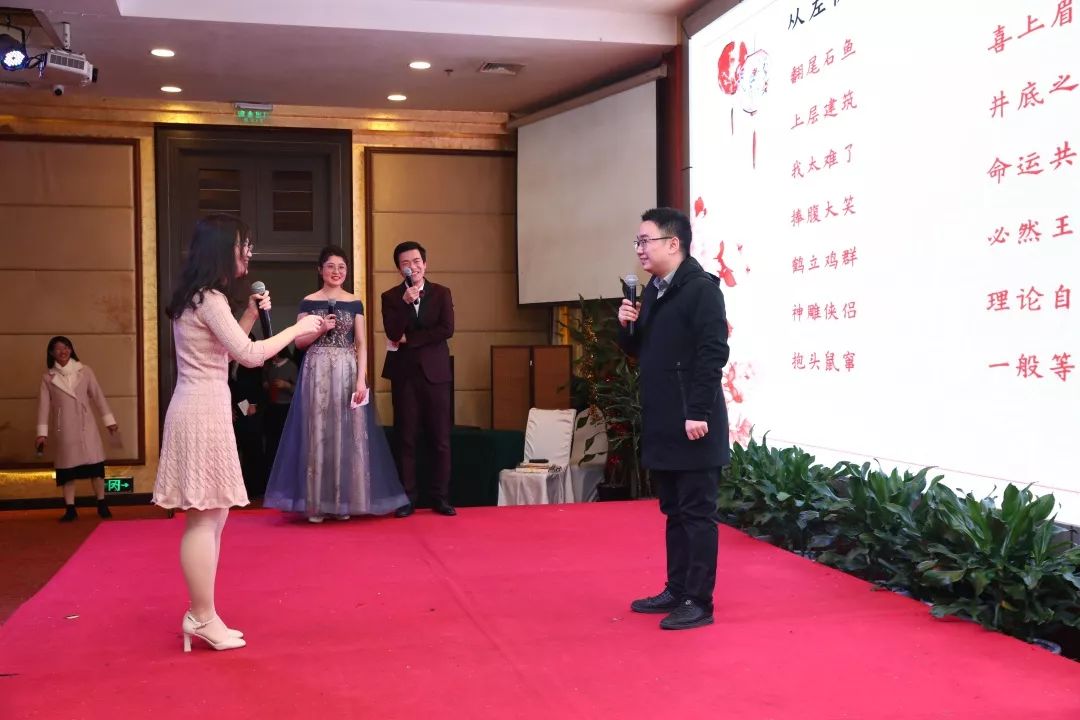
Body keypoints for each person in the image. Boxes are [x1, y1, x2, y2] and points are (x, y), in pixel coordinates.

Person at [152, 213, 323, 653]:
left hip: (204, 407)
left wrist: (247, 314)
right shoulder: (208, 299)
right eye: (243, 244)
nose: (248, 252)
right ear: (222, 249)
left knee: (214, 516)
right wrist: (298, 328)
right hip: (200, 412)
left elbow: (225, 353)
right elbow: (249, 356)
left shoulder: (200, 297)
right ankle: (200, 616)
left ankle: (204, 614)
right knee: (204, 517)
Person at [617, 207, 730, 631]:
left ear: (673, 243)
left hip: (694, 422)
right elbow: (643, 351)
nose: (640, 249)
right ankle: (677, 588)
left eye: (645, 241)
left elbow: (712, 354)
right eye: (638, 242)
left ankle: (698, 601)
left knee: (697, 514)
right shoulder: (654, 291)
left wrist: (699, 411)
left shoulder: (701, 290)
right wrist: (627, 327)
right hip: (663, 419)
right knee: (675, 511)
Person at [264, 246, 407, 522]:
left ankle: (345, 502)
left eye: (341, 267)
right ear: (320, 270)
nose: (336, 272)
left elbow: (361, 343)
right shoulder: (308, 302)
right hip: (316, 368)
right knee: (317, 432)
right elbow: (299, 342)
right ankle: (317, 503)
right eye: (330, 266)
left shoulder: (354, 302)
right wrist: (320, 329)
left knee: (348, 432)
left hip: (346, 369)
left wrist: (361, 379)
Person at [380, 241, 456, 517]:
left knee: (440, 438)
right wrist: (405, 304)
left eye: (416, 261)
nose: (412, 267)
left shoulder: (442, 293)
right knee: (406, 438)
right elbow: (392, 333)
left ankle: (441, 497)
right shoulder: (391, 297)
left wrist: (410, 339)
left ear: (425, 264)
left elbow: (447, 329)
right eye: (405, 264)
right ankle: (407, 498)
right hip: (405, 375)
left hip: (436, 374)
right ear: (399, 269)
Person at [35, 336, 119, 522]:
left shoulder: (85, 371)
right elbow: (43, 407)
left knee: (96, 468)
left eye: (66, 347)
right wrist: (42, 434)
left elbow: (98, 396)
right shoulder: (48, 377)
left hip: (86, 425)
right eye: (58, 349)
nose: (63, 351)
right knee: (67, 471)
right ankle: (70, 509)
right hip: (64, 429)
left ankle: (102, 503)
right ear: (51, 353)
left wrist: (109, 421)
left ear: (71, 349)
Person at [262, 349, 297, 472]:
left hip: (285, 407)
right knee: (270, 440)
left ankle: (284, 469)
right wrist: (265, 383)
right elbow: (264, 378)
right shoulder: (269, 365)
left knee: (283, 439)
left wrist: (286, 385)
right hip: (271, 406)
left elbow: (299, 388)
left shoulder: (291, 366)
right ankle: (270, 469)